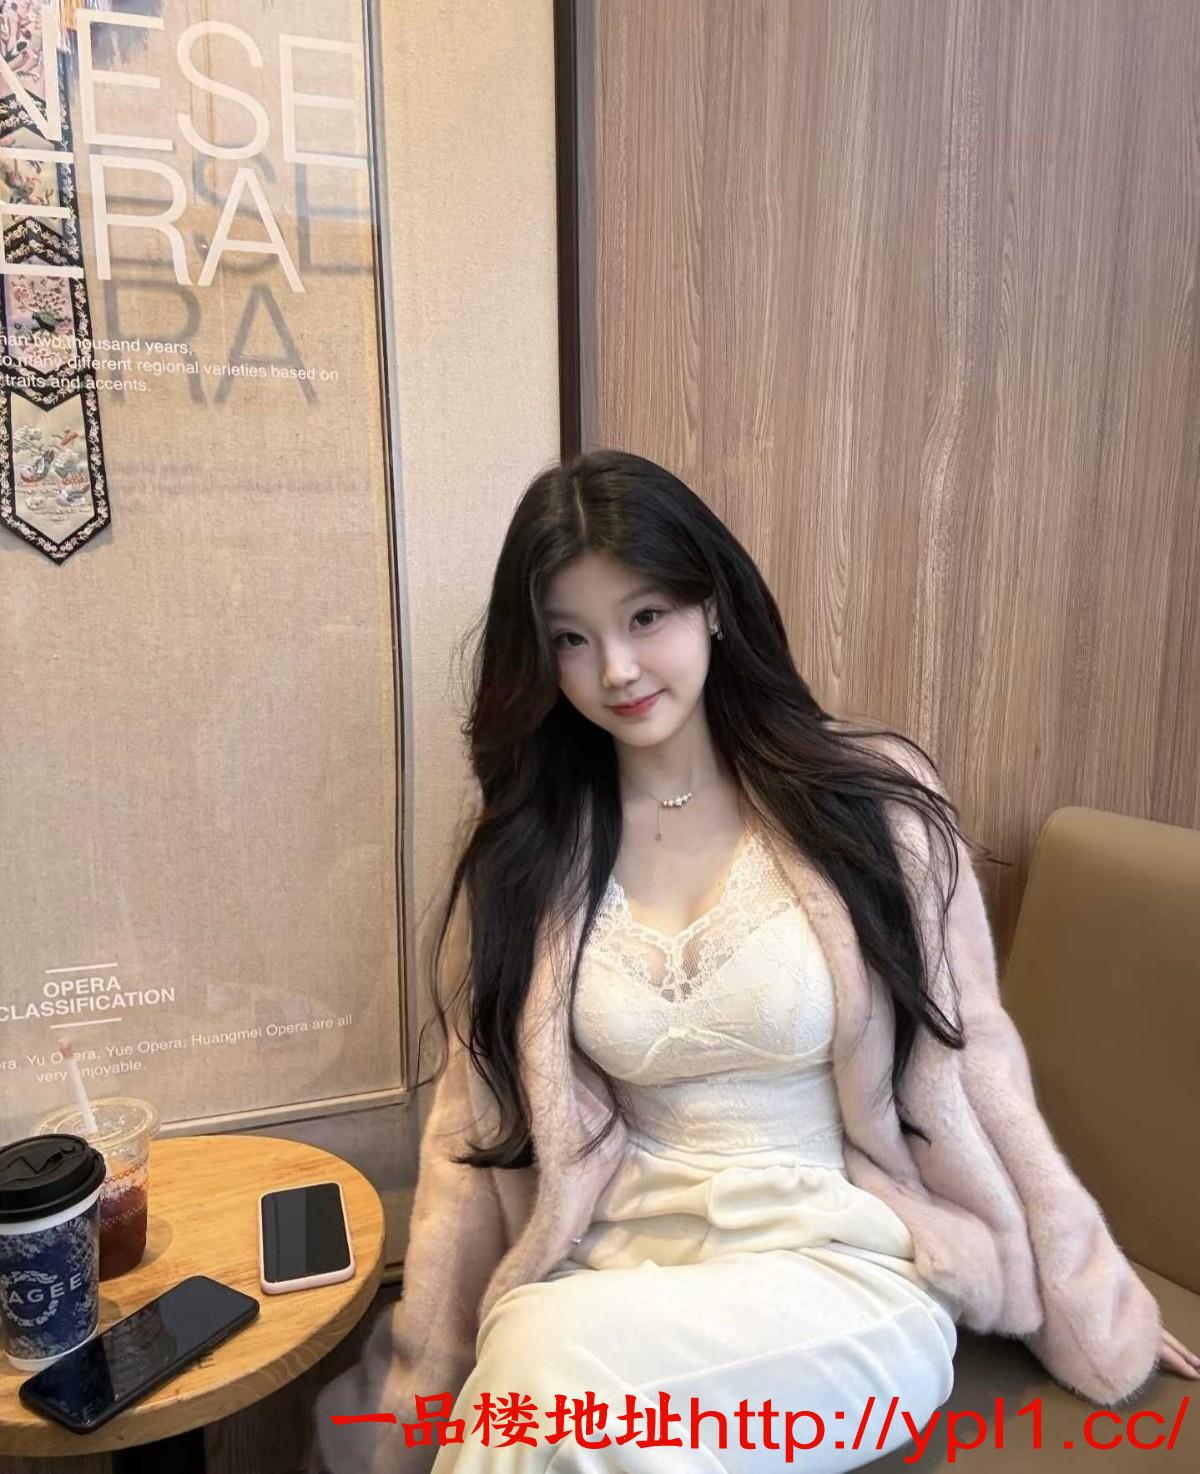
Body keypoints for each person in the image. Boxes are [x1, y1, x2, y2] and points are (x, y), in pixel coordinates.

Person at [313, 450, 1199, 1474]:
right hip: (614, 1272)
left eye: (646, 616)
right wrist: (418, 1389)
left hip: (844, 1269)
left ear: (713, 605)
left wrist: (1089, 1300)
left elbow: (975, 1068)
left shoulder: (868, 807)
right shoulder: (529, 856)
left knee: (546, 1390)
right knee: (537, 1365)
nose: (617, 669)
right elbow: (471, 1135)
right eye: (572, 639)